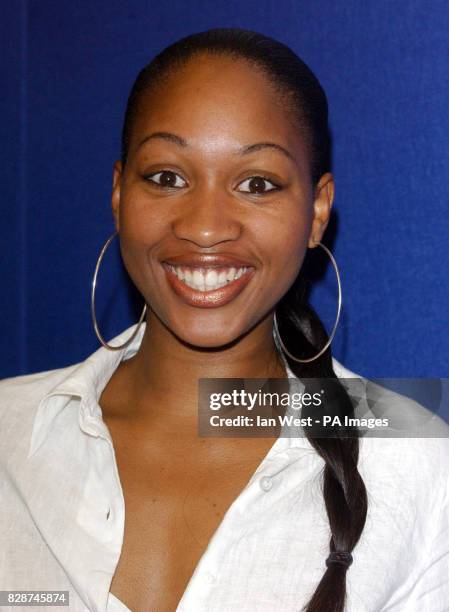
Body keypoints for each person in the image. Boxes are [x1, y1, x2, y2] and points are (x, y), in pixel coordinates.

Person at [0, 28, 448, 612]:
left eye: (257, 184)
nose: (206, 228)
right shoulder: (10, 431)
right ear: (118, 194)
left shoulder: (423, 471)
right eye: (167, 178)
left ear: (317, 212)